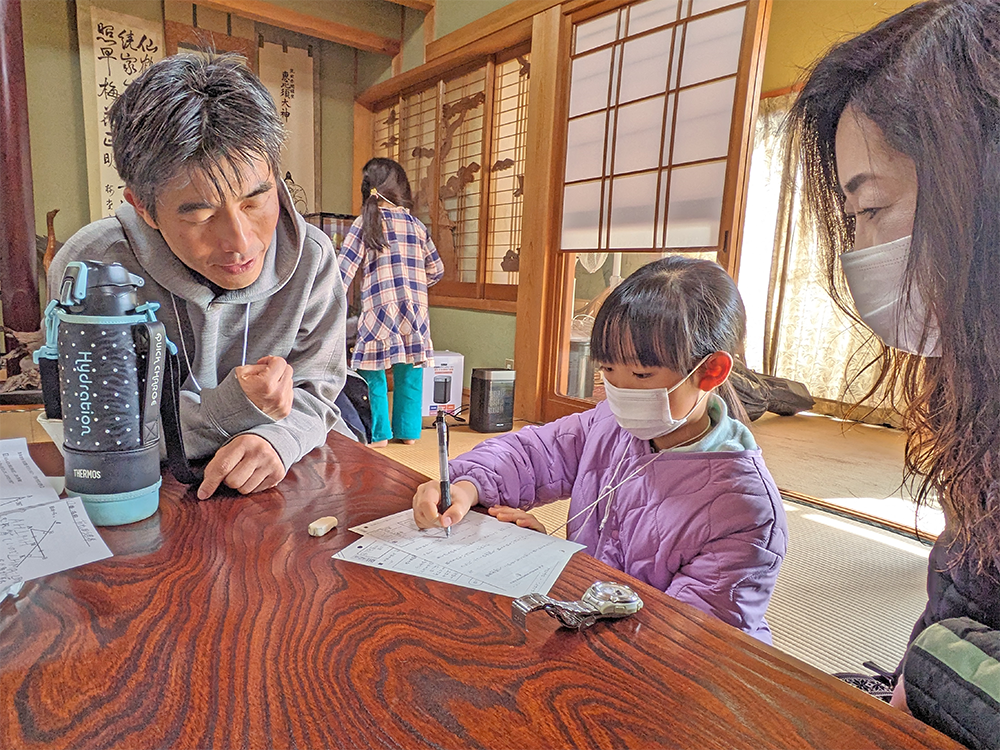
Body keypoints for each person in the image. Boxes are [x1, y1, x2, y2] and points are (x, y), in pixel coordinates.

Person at [788, 1, 1000, 745]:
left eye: (871, 207)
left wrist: (932, 669)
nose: (860, 249)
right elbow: (963, 586)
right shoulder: (974, 386)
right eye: (852, 218)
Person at [412, 256, 788, 643]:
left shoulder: (746, 512)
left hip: (665, 670)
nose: (620, 391)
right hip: (586, 619)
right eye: (608, 370)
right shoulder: (609, 421)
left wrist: (557, 568)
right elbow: (534, 452)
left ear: (709, 372)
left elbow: (682, 641)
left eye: (642, 375)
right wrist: (466, 484)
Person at [48, 53, 355, 500]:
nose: (242, 243)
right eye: (202, 214)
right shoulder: (93, 267)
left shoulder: (311, 256)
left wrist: (279, 438)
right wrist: (228, 410)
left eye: (255, 201)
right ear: (143, 208)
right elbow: (93, 426)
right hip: (136, 492)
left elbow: (319, 387)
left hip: (275, 493)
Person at [338, 158, 444, 447]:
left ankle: (379, 434)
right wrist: (417, 285)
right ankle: (408, 433)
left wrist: (329, 303)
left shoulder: (366, 223)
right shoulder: (417, 225)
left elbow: (342, 271)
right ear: (401, 189)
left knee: (372, 372)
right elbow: (437, 269)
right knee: (410, 372)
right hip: (415, 311)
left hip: (378, 310)